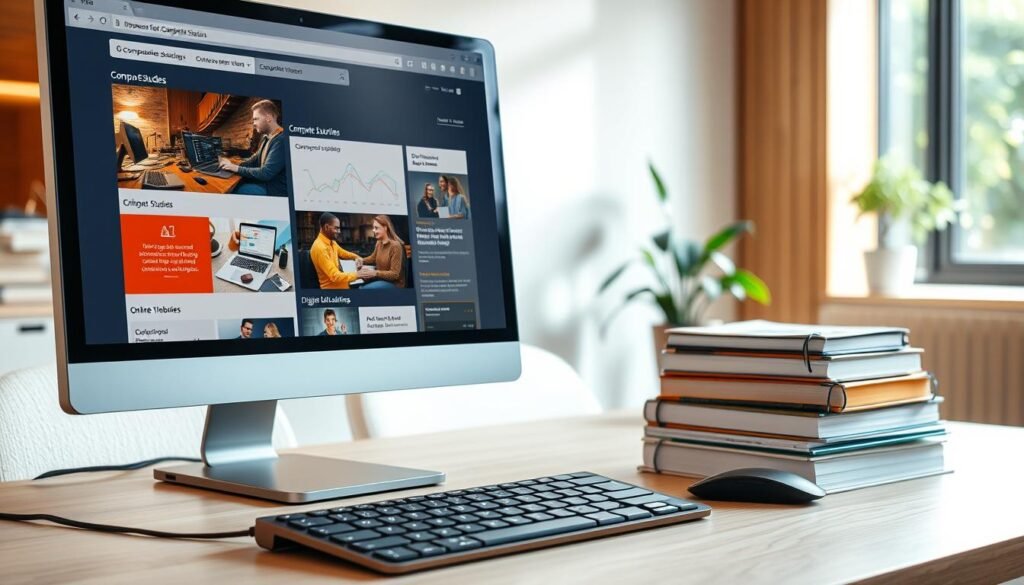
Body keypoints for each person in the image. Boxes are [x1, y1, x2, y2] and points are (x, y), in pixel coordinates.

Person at [219, 99, 287, 196]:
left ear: (268, 118)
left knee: (232, 191)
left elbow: (265, 173)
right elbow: (253, 161)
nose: (253, 123)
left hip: (273, 190)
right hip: (264, 184)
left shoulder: (281, 140)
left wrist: (235, 168)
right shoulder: (266, 138)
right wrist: (231, 164)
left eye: (256, 119)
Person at [309, 211, 362, 289]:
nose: (339, 231)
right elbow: (335, 276)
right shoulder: (319, 248)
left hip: (344, 288)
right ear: (326, 227)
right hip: (333, 293)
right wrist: (358, 275)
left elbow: (344, 254)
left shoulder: (332, 242)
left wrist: (357, 257)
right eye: (336, 228)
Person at [358, 215, 407, 289]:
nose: (373, 230)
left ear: (385, 228)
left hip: (394, 284)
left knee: (364, 289)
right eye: (373, 228)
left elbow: (395, 274)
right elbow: (373, 258)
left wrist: (375, 273)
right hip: (381, 279)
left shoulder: (395, 246)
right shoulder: (379, 242)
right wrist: (361, 260)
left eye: (376, 228)